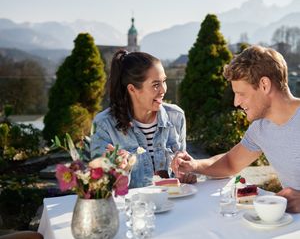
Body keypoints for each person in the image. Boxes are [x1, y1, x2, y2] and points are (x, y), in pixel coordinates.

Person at [171, 45, 300, 213]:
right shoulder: (260, 129)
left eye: (241, 93)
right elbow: (230, 163)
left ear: (264, 85)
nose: (236, 102)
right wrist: (194, 165)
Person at [91, 50, 195, 188]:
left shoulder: (176, 116)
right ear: (132, 89)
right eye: (156, 84)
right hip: (132, 207)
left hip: (171, 204)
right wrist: (119, 171)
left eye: (164, 81)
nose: (163, 89)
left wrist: (184, 174)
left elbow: (179, 174)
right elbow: (99, 186)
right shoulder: (104, 125)